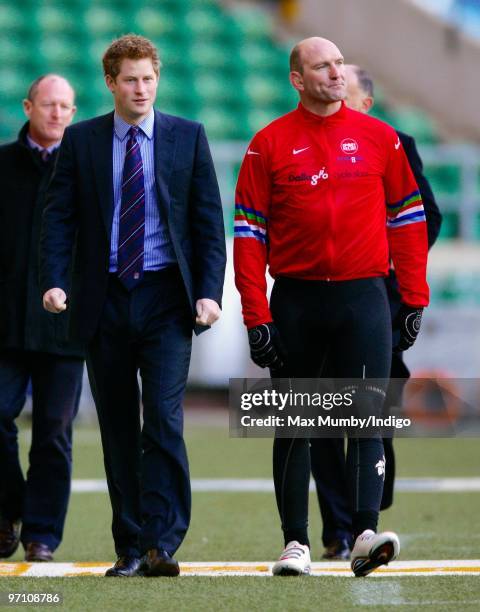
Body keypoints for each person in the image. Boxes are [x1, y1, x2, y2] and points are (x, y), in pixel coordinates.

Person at [234, 37, 429, 577]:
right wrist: (257, 315)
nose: (336, 73)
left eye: (340, 63)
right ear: (297, 79)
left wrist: (413, 297)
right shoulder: (267, 144)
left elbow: (409, 220)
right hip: (295, 300)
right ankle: (294, 544)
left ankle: (365, 534)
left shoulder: (381, 138)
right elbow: (248, 236)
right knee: (296, 422)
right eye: (322, 65)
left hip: (364, 298)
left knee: (368, 417)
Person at [40, 35, 226, 577]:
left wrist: (210, 291)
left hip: (168, 298)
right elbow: (59, 219)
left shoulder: (187, 138)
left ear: (157, 79)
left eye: (148, 78)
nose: (140, 88)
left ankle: (161, 543)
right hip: (105, 299)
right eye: (130, 79)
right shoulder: (81, 142)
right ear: (111, 83)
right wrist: (55, 280)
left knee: (163, 420)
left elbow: (207, 223)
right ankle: (129, 545)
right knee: (118, 425)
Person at [309, 64, 442, 561]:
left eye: (343, 83)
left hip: (377, 300)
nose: (333, 88)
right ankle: (337, 530)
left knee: (373, 411)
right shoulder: (303, 140)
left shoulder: (395, 143)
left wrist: (383, 261)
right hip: (316, 300)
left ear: (365, 100)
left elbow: (427, 217)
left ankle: (366, 509)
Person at [0, 75, 84, 562]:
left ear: (74, 113)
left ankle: (42, 534)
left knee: (54, 431)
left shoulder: (85, 168)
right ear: (28, 106)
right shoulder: (2, 165)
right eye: (48, 104)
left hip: (64, 328)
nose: (56, 113)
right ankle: (7, 510)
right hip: (5, 323)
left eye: (65, 106)